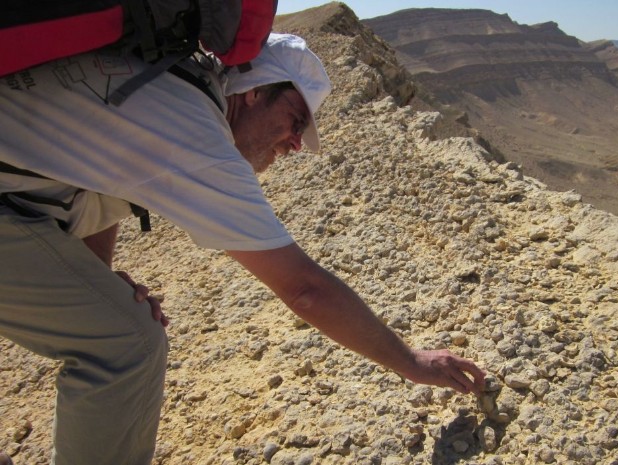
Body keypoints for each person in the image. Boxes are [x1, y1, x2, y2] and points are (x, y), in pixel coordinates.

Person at [0, 33, 486, 464]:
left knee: (118, 321)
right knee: (127, 344)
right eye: (295, 120)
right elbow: (304, 289)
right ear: (254, 92)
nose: (296, 144)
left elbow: (102, 178)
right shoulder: (193, 131)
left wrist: (95, 275)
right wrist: (411, 362)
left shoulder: (163, 79)